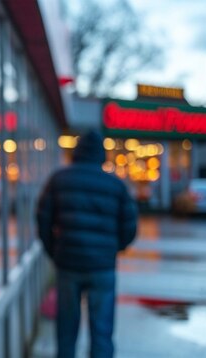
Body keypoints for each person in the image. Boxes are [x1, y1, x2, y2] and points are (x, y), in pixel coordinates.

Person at [36, 130, 138, 358]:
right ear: (102, 155)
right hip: (102, 267)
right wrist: (113, 248)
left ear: (77, 152)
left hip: (68, 265)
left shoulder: (59, 179)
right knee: (102, 332)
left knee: (66, 331)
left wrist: (55, 250)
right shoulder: (115, 185)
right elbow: (130, 226)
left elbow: (43, 219)